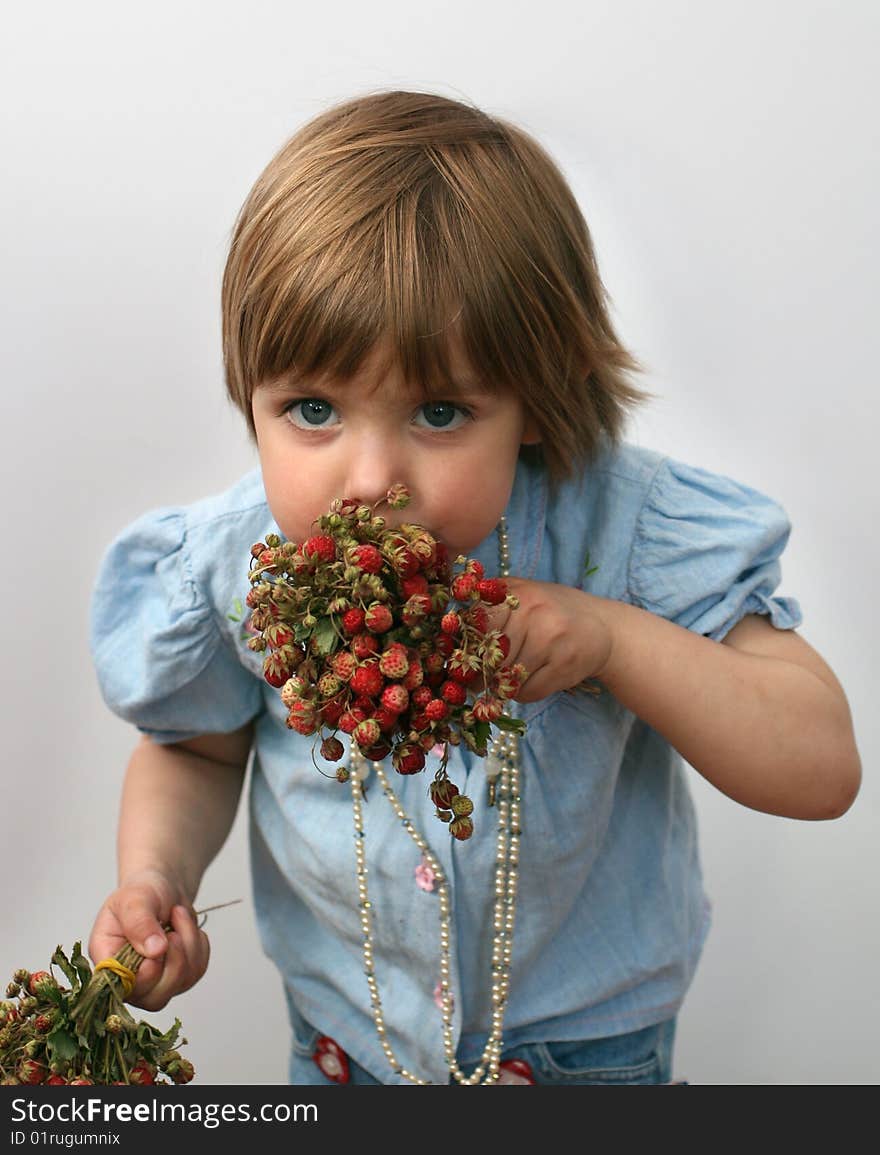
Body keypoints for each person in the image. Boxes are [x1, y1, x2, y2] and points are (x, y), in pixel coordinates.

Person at [88, 90, 861, 1086]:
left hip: (587, 1053)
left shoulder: (621, 531)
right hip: (343, 1048)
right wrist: (154, 880)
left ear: (538, 398)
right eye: (312, 409)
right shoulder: (239, 566)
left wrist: (613, 642)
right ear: (250, 395)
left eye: (441, 411)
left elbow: (819, 766)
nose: (370, 479)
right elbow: (194, 751)